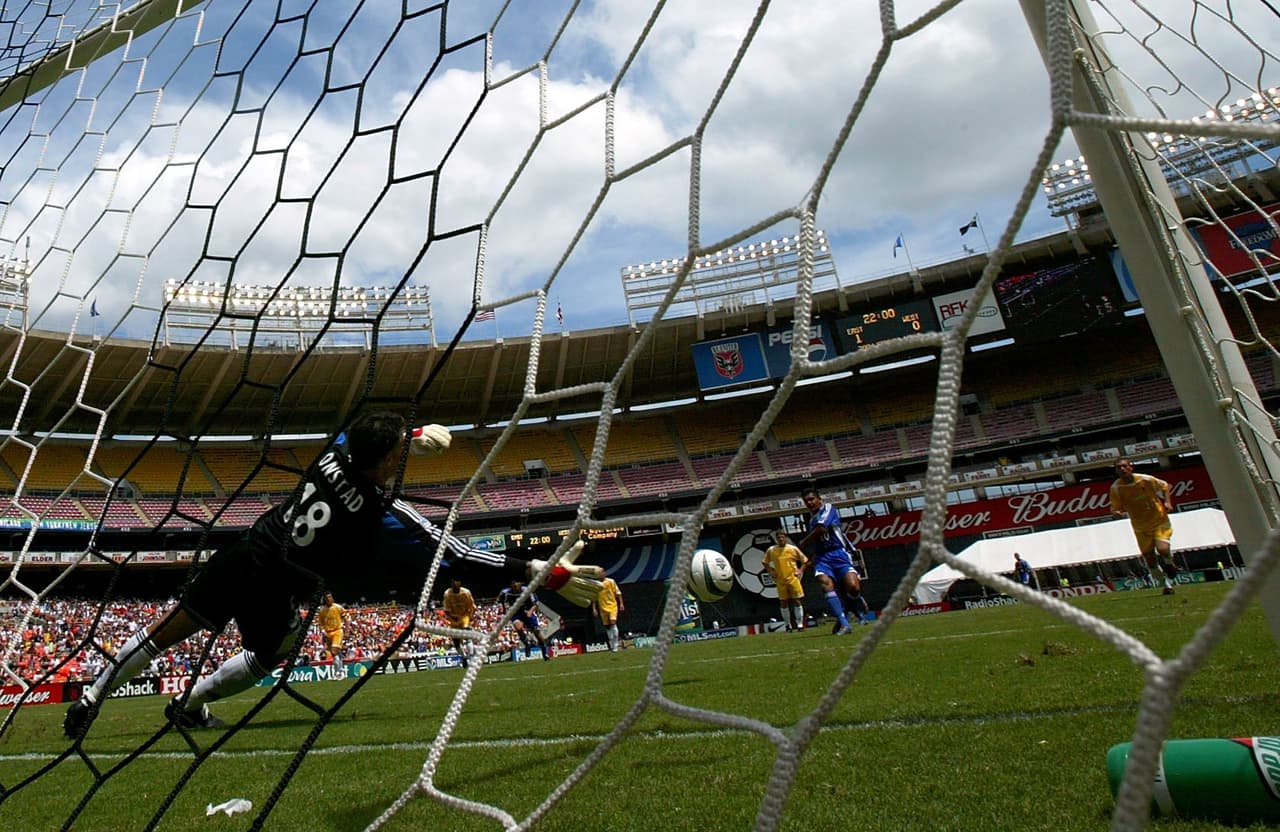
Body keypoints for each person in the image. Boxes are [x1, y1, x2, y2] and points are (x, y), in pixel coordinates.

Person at [63, 411, 603, 739]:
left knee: (172, 628)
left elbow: (358, 435)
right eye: (397, 452)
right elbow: (455, 554)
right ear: (386, 458)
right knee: (268, 655)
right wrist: (538, 569)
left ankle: (94, 695)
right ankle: (192, 703)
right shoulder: (379, 510)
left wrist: (411, 433)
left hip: (248, 547)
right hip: (283, 580)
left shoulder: (333, 452)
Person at [796, 487, 862, 635]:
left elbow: (822, 528)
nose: (809, 503)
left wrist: (804, 541)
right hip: (823, 558)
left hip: (839, 554)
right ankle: (845, 624)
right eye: (806, 501)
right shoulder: (811, 521)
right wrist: (805, 566)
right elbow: (818, 545)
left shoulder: (828, 508)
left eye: (812, 499)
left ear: (819, 499)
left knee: (854, 588)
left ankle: (843, 614)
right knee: (826, 585)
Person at [1109, 457, 1179, 595]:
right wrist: (1116, 512)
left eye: (1124, 466)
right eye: (1118, 467)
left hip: (1159, 520)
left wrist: (1167, 502)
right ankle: (1166, 586)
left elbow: (1165, 486)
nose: (1122, 469)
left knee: (1163, 549)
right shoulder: (1116, 488)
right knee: (1150, 560)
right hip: (1140, 527)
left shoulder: (1145, 479)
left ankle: (1170, 564)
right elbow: (1115, 507)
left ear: (1131, 467)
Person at [761, 530, 807, 631]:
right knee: (783, 602)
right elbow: (764, 562)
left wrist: (800, 570)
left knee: (797, 600)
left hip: (793, 579)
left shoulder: (793, 549)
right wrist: (771, 571)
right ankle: (788, 625)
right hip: (780, 580)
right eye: (778, 538)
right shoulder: (772, 550)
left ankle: (799, 624)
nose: (781, 539)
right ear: (776, 539)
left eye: (782, 537)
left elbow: (805, 561)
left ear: (785, 538)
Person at [500, 580, 551, 661]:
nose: (514, 585)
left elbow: (536, 604)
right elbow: (502, 601)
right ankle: (527, 643)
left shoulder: (528, 591)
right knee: (518, 628)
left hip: (528, 612)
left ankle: (545, 652)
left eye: (516, 583)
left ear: (520, 584)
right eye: (512, 583)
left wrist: (530, 611)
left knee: (537, 633)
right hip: (516, 613)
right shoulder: (505, 593)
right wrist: (504, 610)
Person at [442, 577, 477, 668]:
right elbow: (446, 610)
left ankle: (471, 658)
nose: (455, 583)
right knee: (456, 643)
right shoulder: (447, 594)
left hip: (464, 617)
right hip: (454, 619)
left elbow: (472, 606)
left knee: (468, 637)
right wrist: (452, 616)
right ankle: (464, 657)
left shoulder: (466, 592)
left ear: (460, 583)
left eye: (457, 581)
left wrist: (471, 615)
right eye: (453, 581)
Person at [591, 574, 625, 651]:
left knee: (613, 622)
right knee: (607, 627)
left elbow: (618, 593)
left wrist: (621, 604)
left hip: (612, 606)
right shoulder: (596, 584)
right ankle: (612, 645)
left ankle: (616, 645)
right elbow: (594, 598)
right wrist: (594, 609)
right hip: (603, 608)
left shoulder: (611, 581)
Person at [317, 592, 345, 673]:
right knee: (335, 654)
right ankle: (340, 670)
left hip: (337, 631)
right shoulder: (322, 611)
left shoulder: (338, 607)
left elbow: (347, 618)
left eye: (330, 597)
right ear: (325, 600)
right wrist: (323, 632)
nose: (329, 599)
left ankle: (338, 672)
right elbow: (321, 623)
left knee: (334, 651)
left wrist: (346, 631)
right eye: (327, 598)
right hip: (328, 633)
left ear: (332, 598)